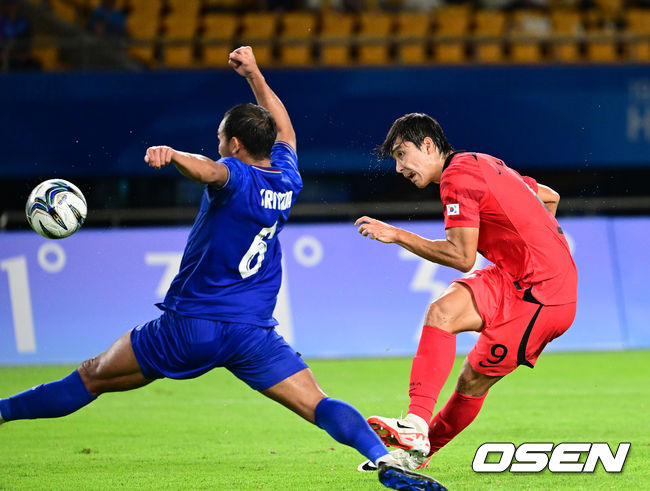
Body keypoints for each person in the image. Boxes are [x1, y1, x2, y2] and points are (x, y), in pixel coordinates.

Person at [0, 48, 444, 491]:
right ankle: (384, 459)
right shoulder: (288, 178)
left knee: (92, 376)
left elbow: (210, 171)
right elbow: (284, 127)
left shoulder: (235, 173)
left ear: (234, 144)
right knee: (318, 403)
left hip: (191, 327)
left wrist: (172, 154)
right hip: (250, 334)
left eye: (220, 137)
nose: (217, 144)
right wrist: (254, 75)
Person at [355, 113, 578, 471]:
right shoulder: (481, 162)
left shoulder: (456, 178)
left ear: (428, 145)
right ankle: (415, 429)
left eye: (401, 154)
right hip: (521, 278)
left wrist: (396, 234)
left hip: (542, 296)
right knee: (441, 314)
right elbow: (549, 197)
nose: (398, 168)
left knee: (472, 382)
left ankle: (417, 449)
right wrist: (547, 248)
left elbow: (461, 256)